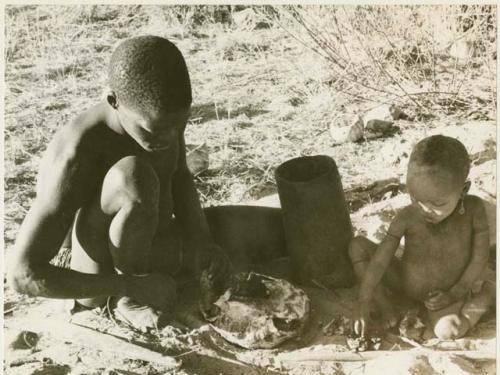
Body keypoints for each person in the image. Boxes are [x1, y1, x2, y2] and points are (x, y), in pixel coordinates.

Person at [7, 35, 287, 331]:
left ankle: (155, 278)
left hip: (156, 241)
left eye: (177, 126)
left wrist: (202, 241)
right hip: (97, 271)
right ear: (113, 101)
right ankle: (125, 302)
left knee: (285, 229)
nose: (167, 139)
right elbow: (24, 275)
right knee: (133, 177)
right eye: (152, 132)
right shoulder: (77, 151)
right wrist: (130, 285)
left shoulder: (164, 117)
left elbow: (179, 176)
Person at [349, 135, 496, 340]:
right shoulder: (407, 217)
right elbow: (380, 260)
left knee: (449, 331)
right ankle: (385, 306)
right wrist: (363, 300)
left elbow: (478, 258)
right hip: (404, 282)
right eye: (416, 199)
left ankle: (487, 296)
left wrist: (455, 293)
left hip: (446, 293)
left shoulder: (473, 211)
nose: (425, 210)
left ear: (463, 190)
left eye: (438, 203)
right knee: (357, 246)